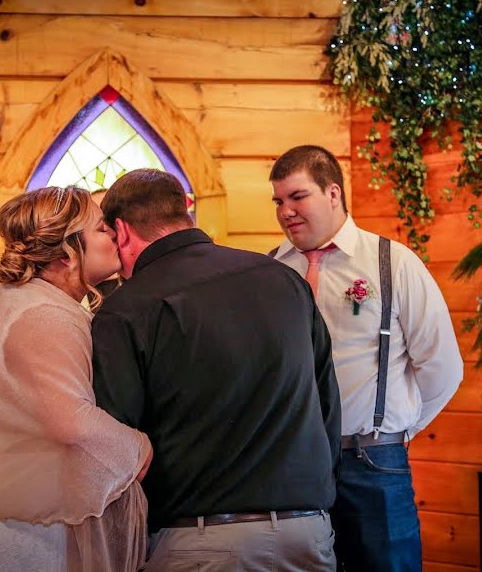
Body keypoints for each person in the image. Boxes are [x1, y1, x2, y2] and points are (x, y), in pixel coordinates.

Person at [91, 169, 342, 571]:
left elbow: (114, 439)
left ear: (121, 231)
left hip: (202, 540)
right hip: (308, 533)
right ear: (184, 213)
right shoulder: (284, 279)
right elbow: (327, 402)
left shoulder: (128, 308)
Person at [0, 186, 152, 572]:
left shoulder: (27, 303)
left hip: (9, 516)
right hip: (20, 533)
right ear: (68, 251)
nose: (115, 238)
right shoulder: (42, 316)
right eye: (102, 229)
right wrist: (138, 448)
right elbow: (70, 421)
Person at [268, 145, 463, 572]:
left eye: (297, 197)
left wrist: (391, 430)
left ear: (333, 193)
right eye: (278, 201)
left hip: (372, 462)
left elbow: (442, 367)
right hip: (292, 466)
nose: (286, 212)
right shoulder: (271, 271)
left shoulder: (392, 263)